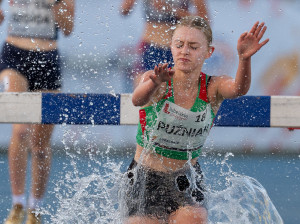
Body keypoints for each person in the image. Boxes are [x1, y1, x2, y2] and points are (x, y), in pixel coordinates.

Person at [120, 16, 269, 223]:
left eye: (193, 46)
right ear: (171, 47)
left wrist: (244, 59)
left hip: (185, 177)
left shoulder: (213, 87)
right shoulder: (156, 80)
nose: (185, 51)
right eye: (179, 45)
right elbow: (137, 100)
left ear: (209, 52)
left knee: (194, 217)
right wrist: (154, 83)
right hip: (145, 176)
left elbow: (238, 89)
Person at [0, 0, 75, 223]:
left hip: (48, 58)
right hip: (14, 54)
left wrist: (54, 3)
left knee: (40, 145)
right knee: (21, 131)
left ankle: (35, 209)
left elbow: (69, 28)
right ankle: (17, 205)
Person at [120, 0, 209, 88]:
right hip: (149, 46)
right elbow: (124, 10)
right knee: (142, 91)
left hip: (176, 50)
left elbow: (204, 20)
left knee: (176, 93)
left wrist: (170, 9)